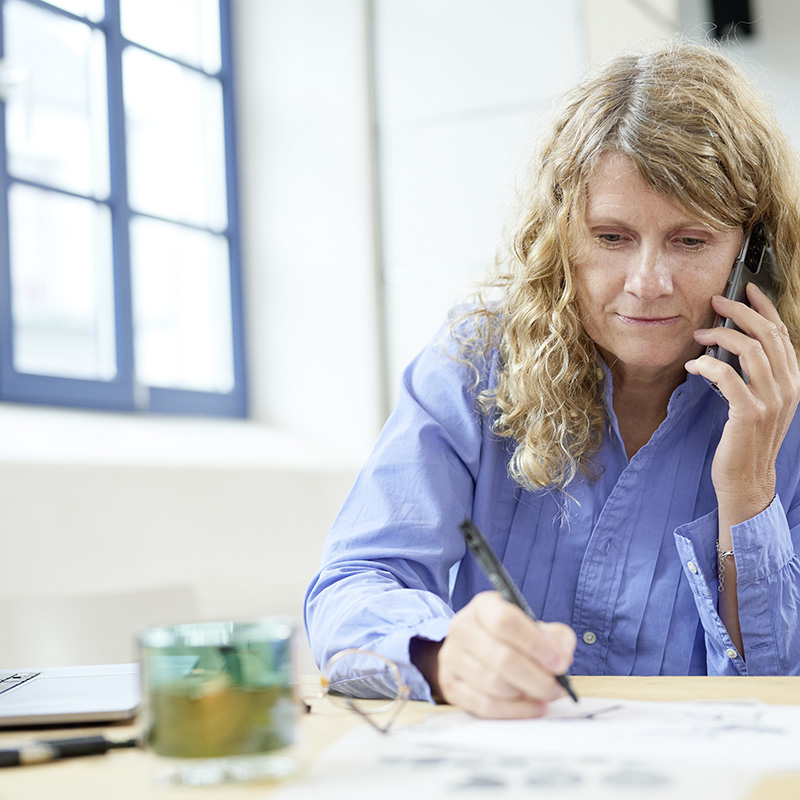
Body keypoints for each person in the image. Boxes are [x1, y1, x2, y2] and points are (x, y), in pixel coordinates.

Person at [304, 38, 800, 720]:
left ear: (755, 253)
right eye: (611, 237)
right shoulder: (476, 358)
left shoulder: (787, 408)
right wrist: (443, 656)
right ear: (561, 234)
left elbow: (779, 690)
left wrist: (749, 495)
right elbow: (352, 584)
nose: (647, 284)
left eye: (691, 241)